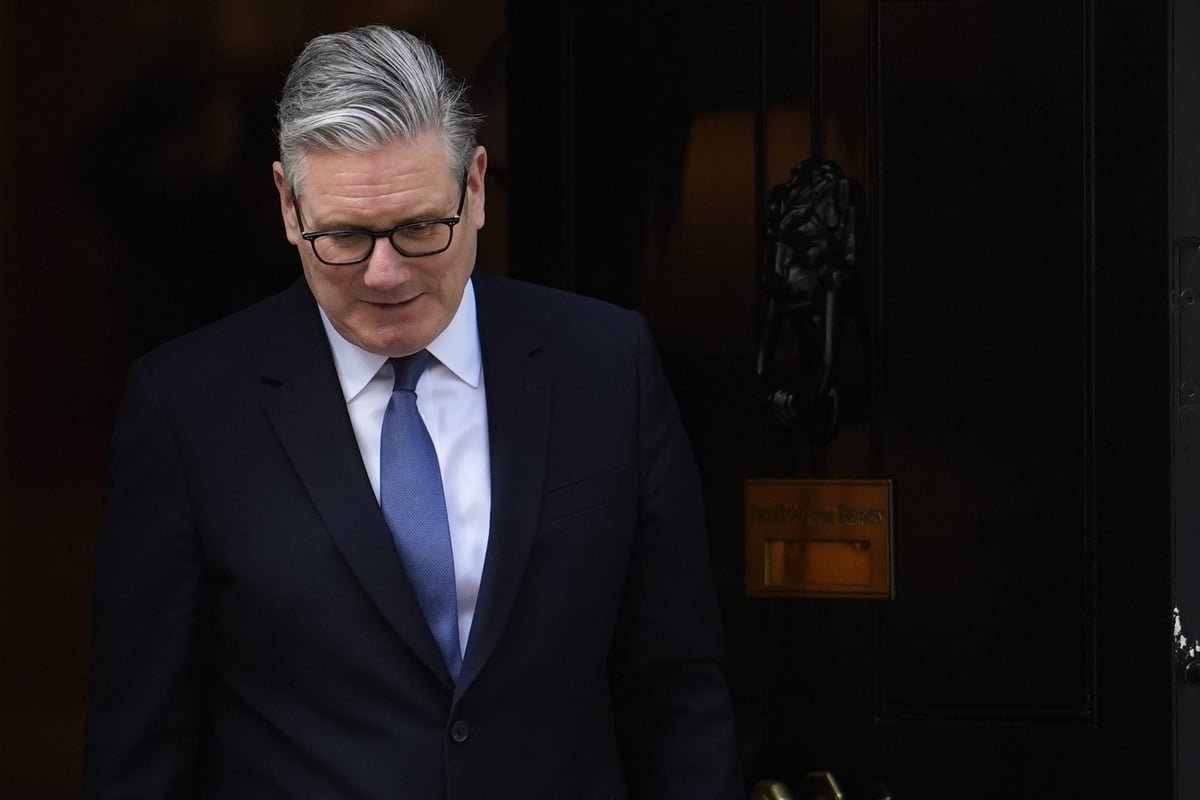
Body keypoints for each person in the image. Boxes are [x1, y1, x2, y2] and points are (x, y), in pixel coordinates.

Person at [84, 25, 742, 799]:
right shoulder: (187, 410)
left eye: (420, 228)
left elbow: (677, 692)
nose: (386, 274)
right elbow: (142, 744)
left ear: (476, 188)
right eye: (346, 236)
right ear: (289, 207)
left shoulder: (607, 365)